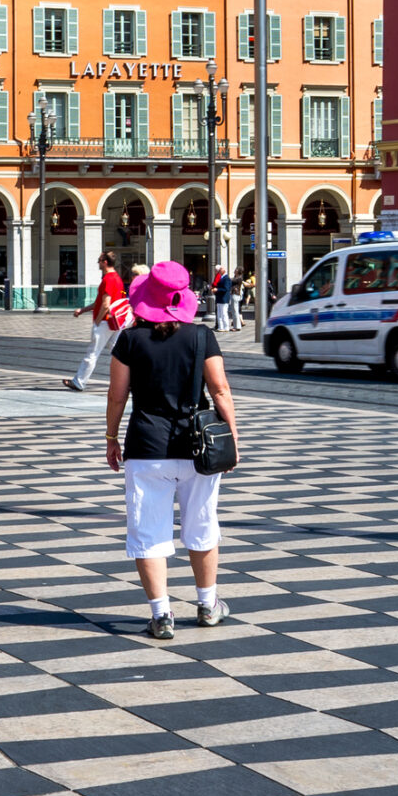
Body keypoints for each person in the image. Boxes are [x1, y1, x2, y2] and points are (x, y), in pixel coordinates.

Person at [105, 261, 240, 640]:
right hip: (197, 446)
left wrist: (111, 438)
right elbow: (220, 391)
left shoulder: (129, 340)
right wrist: (232, 436)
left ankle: (162, 615)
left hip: (147, 446)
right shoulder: (201, 337)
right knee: (202, 525)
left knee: (148, 531)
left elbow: (117, 396)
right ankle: (208, 604)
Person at [64, 253, 131, 392]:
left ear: (105, 262)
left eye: (99, 260)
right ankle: (130, 381)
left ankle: (79, 382)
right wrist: (82, 310)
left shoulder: (108, 279)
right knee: (118, 353)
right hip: (116, 322)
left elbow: (105, 304)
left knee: (92, 353)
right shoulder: (118, 278)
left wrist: (98, 321)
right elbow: (99, 302)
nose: (98, 263)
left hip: (105, 323)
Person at [212, 267, 237, 332]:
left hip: (224, 298)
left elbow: (226, 289)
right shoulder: (221, 277)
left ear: (224, 271)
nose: (219, 271)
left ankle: (226, 327)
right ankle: (221, 327)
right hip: (219, 298)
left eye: (220, 270)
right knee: (219, 313)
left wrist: (217, 289)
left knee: (223, 313)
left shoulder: (227, 278)